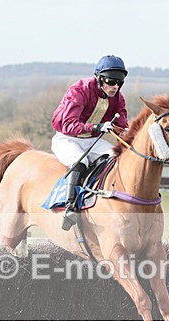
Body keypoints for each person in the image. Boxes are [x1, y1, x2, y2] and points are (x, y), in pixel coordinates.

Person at [51, 55, 130, 230]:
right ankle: (70, 207)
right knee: (81, 161)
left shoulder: (118, 97)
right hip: (67, 138)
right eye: (111, 81)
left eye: (119, 82)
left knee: (115, 158)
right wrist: (98, 127)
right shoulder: (80, 90)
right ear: (100, 79)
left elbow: (123, 126)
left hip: (93, 140)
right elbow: (68, 124)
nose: (115, 87)